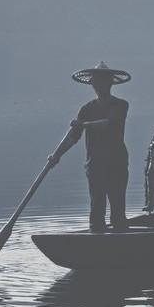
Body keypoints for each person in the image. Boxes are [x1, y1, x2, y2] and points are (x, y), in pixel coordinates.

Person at [49, 61, 132, 232]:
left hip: (116, 163)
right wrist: (56, 155)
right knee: (96, 209)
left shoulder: (121, 105)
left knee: (117, 208)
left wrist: (83, 125)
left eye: (102, 81)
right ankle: (97, 240)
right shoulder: (86, 109)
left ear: (110, 83)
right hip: (95, 166)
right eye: (95, 81)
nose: (98, 85)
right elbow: (73, 137)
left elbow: (107, 124)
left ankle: (122, 242)